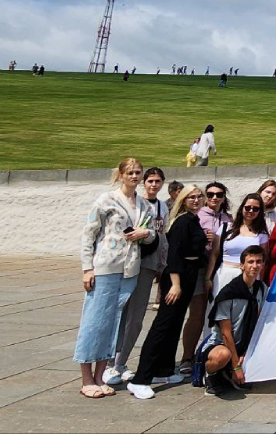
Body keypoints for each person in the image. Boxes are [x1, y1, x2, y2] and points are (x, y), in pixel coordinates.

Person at [76, 159, 156, 398]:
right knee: (94, 322)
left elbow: (151, 235)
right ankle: (86, 378)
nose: (134, 176)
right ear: (121, 175)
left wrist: (146, 234)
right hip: (105, 267)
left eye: (138, 173)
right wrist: (86, 268)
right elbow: (88, 234)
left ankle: (101, 374)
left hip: (130, 269)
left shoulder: (144, 204)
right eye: (130, 172)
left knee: (114, 323)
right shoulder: (106, 200)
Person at [127, 186, 207, 399]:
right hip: (177, 277)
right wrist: (175, 284)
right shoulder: (182, 222)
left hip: (189, 275)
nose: (197, 200)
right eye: (192, 197)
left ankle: (163, 370)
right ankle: (140, 379)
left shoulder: (193, 220)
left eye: (200, 196)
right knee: (162, 327)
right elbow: (174, 256)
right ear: (183, 199)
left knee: (174, 325)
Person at [104, 167, 169, 386]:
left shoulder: (162, 207)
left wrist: (162, 264)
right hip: (128, 261)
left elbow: (162, 236)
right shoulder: (135, 203)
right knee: (120, 312)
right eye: (150, 180)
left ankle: (121, 362)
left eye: (157, 181)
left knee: (136, 318)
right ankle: (109, 361)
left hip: (148, 263)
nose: (153, 184)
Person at [180, 182, 232, 374]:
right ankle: (187, 357)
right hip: (198, 267)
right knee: (197, 314)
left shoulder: (228, 218)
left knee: (218, 315)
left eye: (219, 194)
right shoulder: (197, 215)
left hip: (219, 269)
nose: (214, 198)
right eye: (210, 194)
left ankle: (211, 352)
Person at [202, 245, 268, 396]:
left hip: (244, 344)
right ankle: (211, 374)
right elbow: (226, 334)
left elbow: (257, 322)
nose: (255, 266)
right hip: (222, 344)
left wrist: (247, 353)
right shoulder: (228, 294)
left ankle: (230, 372)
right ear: (242, 265)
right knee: (222, 356)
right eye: (250, 262)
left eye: (259, 262)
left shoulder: (262, 289)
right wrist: (236, 365)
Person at [205, 194, 269, 300]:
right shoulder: (226, 227)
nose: (251, 211)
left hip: (250, 276)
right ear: (242, 208)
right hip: (225, 274)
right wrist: (207, 278)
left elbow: (263, 261)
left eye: (255, 209)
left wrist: (260, 283)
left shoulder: (262, 234)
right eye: (248, 207)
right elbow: (214, 254)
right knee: (220, 310)